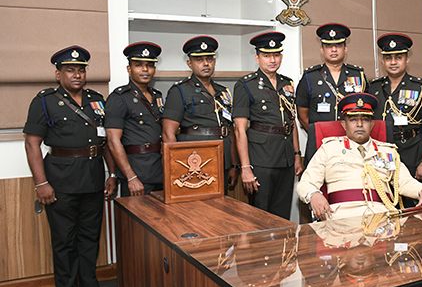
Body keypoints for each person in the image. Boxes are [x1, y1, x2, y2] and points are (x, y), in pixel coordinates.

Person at [23, 46, 117, 287]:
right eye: (70, 70)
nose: (77, 75)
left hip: (93, 178)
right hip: (60, 181)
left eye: (81, 70)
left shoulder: (96, 100)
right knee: (64, 241)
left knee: (90, 237)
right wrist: (41, 183)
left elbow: (105, 142)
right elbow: (32, 144)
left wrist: (111, 174)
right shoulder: (44, 101)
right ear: (58, 74)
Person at [296, 92, 422, 220]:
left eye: (365, 120)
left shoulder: (388, 151)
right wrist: (314, 194)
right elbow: (305, 183)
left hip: (382, 218)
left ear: (372, 124)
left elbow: (405, 182)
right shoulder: (329, 149)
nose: (359, 124)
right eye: (353, 120)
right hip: (341, 218)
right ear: (344, 125)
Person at [233, 32, 303, 219]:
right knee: (260, 215)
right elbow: (239, 130)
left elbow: (292, 121)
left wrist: (297, 155)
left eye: (276, 55)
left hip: (286, 159)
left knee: (282, 214)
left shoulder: (287, 83)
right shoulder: (245, 85)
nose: (272, 60)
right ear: (257, 58)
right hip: (261, 159)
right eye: (266, 55)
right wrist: (245, 167)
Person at [162, 36, 239, 192]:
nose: (206, 63)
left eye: (209, 59)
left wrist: (234, 164)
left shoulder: (223, 92)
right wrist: (178, 168)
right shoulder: (179, 91)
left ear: (214, 61)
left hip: (222, 158)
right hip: (195, 162)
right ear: (189, 63)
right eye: (199, 60)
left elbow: (229, 130)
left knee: (221, 203)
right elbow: (168, 133)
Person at [368, 33, 422, 185]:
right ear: (383, 61)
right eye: (388, 58)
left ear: (407, 59)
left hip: (412, 152)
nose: (393, 62)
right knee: (384, 194)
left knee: (413, 196)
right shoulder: (374, 87)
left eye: (398, 57)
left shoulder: (421, 87)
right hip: (381, 153)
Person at [295, 23, 368, 164]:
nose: (334, 50)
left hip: (352, 144)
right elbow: (302, 115)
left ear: (345, 48)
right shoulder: (310, 77)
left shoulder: (358, 75)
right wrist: (319, 132)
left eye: (338, 45)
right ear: (322, 49)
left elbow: (367, 111)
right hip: (320, 144)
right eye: (329, 46)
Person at [105, 42, 164, 197]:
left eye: (149, 65)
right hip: (136, 173)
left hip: (160, 171)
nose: (145, 69)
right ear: (129, 69)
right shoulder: (119, 98)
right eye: (138, 65)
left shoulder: (157, 96)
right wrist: (131, 177)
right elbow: (113, 141)